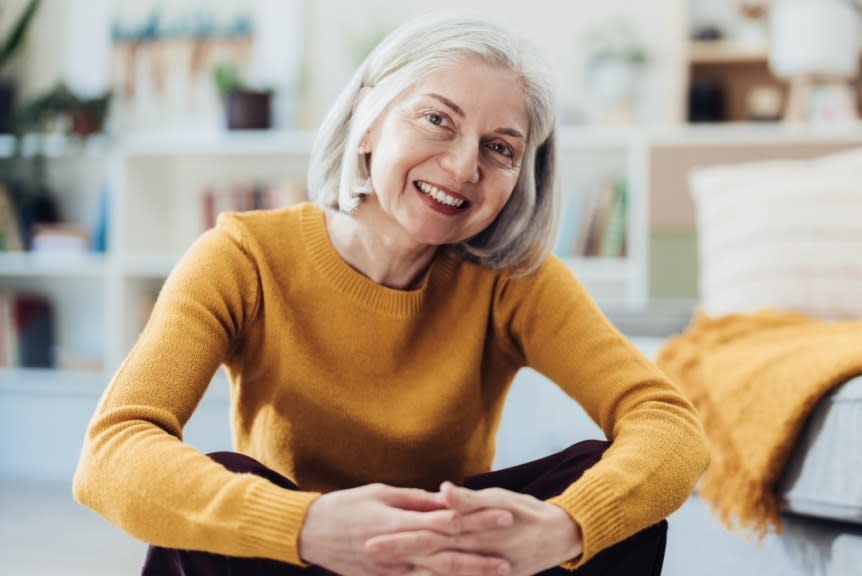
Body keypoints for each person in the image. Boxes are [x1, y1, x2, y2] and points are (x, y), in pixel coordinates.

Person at [73, 13, 709, 576]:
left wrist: (566, 528)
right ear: (369, 120)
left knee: (610, 495)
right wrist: (306, 526)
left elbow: (670, 427)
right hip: (299, 559)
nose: (464, 168)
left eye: (500, 149)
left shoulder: (515, 282)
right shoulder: (245, 257)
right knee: (222, 488)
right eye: (437, 120)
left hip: (449, 565)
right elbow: (113, 452)